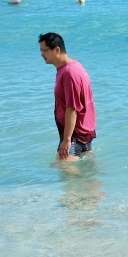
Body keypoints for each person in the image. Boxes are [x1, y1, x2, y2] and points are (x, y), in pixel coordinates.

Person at [38, 32, 97, 162]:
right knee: (87, 169)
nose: (41, 54)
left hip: (75, 134)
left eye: (44, 50)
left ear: (57, 50)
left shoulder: (69, 73)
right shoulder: (73, 67)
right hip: (84, 131)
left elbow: (72, 108)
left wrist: (67, 140)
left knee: (62, 167)